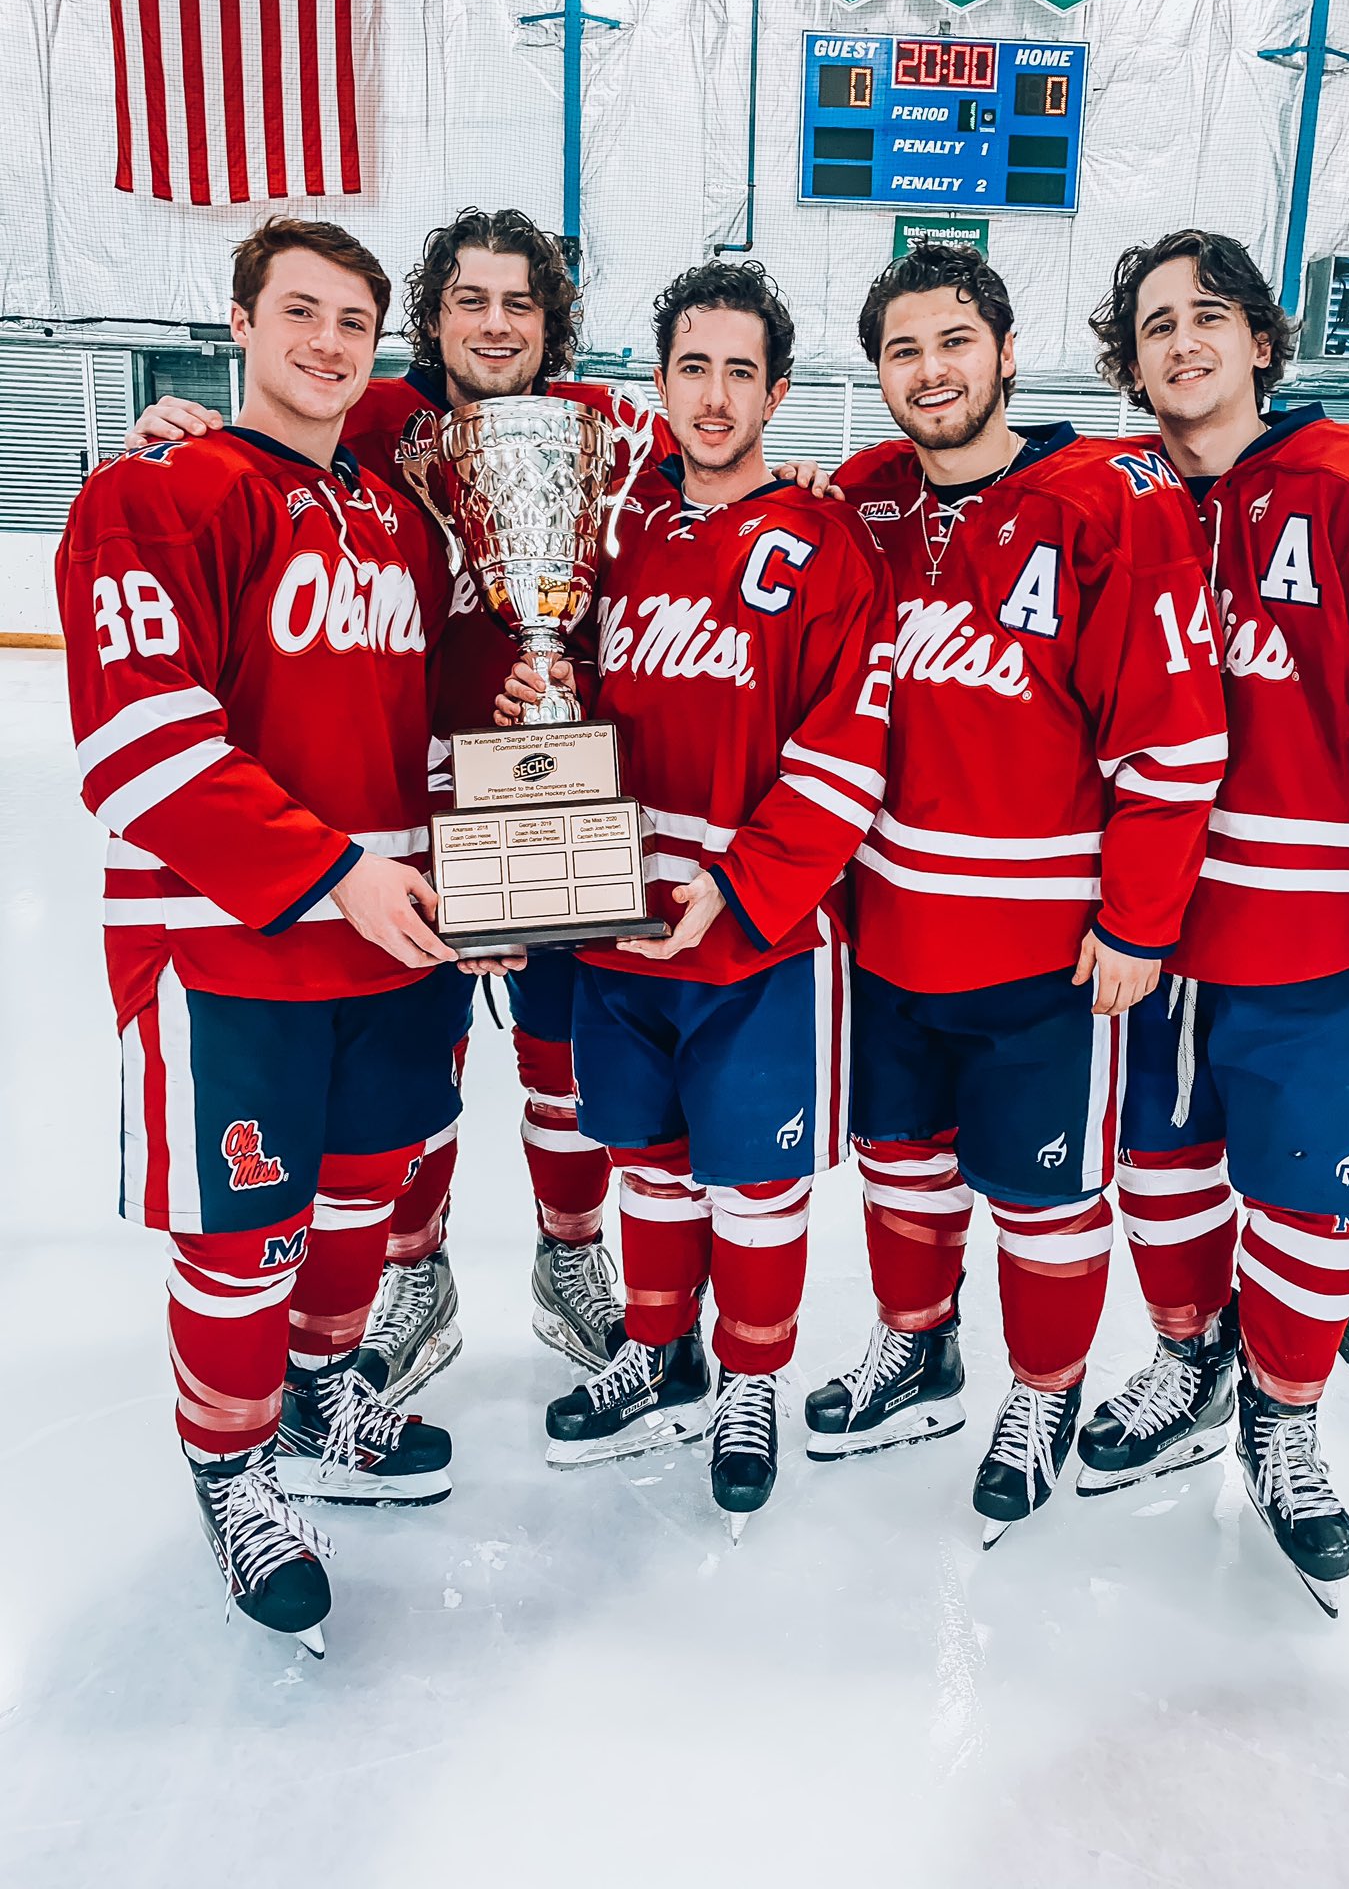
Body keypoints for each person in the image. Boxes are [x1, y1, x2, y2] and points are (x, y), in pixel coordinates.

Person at [125, 209, 834, 1403]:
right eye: (469, 299)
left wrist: (828, 476)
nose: (496, 322)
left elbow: (724, 476)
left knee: (562, 1062)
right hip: (405, 814)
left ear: (551, 320)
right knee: (424, 1070)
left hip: (568, 798)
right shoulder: (373, 424)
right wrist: (177, 427)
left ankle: (572, 1253)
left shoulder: (610, 429)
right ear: (434, 315)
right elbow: (262, 444)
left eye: (520, 301)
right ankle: (415, 1264)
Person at [56, 218, 467, 1654]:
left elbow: (425, 729)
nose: (329, 345)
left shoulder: (398, 514)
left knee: (362, 1200)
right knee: (246, 1238)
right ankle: (233, 1470)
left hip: (395, 941)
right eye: (301, 313)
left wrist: (492, 881)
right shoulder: (154, 492)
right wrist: (331, 872)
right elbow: (138, 744)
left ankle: (320, 1392)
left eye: (355, 322)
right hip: (228, 948)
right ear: (238, 322)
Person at [1081, 229, 1349, 1611]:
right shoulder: (1124, 506)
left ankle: (1287, 1409)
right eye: (1153, 325)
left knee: (1310, 1203)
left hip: (1323, 944)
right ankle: (1193, 1358)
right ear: (1127, 364)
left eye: (1209, 316)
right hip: (1152, 939)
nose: (1182, 342)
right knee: (1163, 1179)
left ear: (1264, 341)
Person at [805, 243, 1228, 1546]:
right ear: (877, 373)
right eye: (902, 352)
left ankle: (1042, 1392)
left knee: (1046, 1194)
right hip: (889, 934)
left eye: (953, 344)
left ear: (1001, 347)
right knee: (902, 1167)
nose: (930, 374)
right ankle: (917, 1351)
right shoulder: (866, 501)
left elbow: (1174, 740)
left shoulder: (1112, 501)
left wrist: (1139, 921)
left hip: (1048, 953)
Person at [498, 260, 894, 1531]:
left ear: (776, 390)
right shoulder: (607, 524)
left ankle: (752, 1380)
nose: (713, 397)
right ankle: (662, 1353)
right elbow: (568, 687)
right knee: (652, 1168)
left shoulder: (827, 540)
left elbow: (850, 745)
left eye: (740, 371)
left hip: (755, 938)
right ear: (656, 379)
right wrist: (530, 713)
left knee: (755, 1184)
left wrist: (741, 884)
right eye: (691, 367)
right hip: (616, 926)